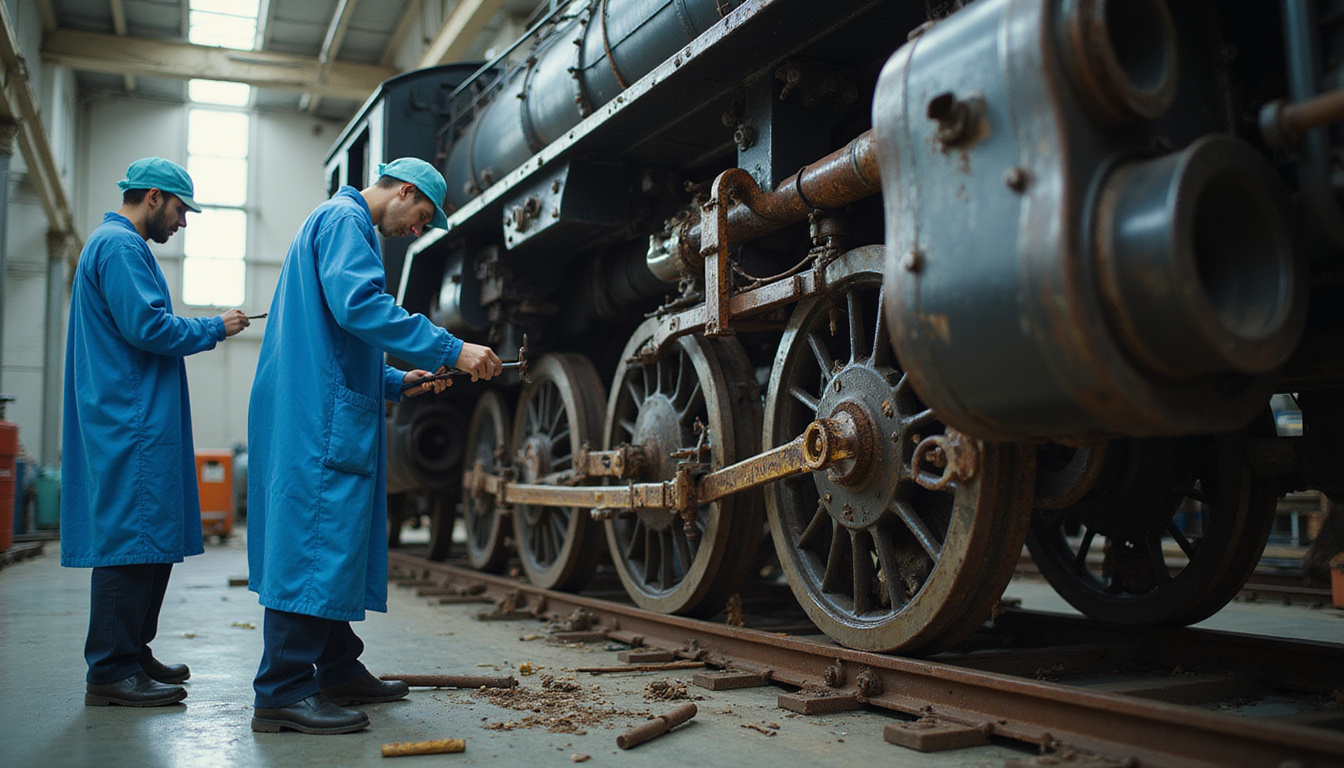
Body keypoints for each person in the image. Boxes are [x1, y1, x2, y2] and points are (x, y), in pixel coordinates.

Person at [246, 158, 502, 735]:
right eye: (422, 216)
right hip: (317, 415)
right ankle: (282, 690)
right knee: (309, 543)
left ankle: (336, 668)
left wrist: (396, 379)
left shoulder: (336, 223)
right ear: (405, 190)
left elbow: (343, 338)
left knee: (326, 542)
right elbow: (359, 309)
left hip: (316, 400)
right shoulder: (345, 221)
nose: (418, 229)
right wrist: (449, 348)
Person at [61, 157, 251, 707]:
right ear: (150, 197)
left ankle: (133, 651)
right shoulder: (118, 247)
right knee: (129, 542)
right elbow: (146, 327)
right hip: (130, 420)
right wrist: (214, 326)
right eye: (179, 209)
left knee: (152, 541)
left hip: (138, 418)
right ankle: (111, 670)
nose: (182, 222)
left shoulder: (120, 247)